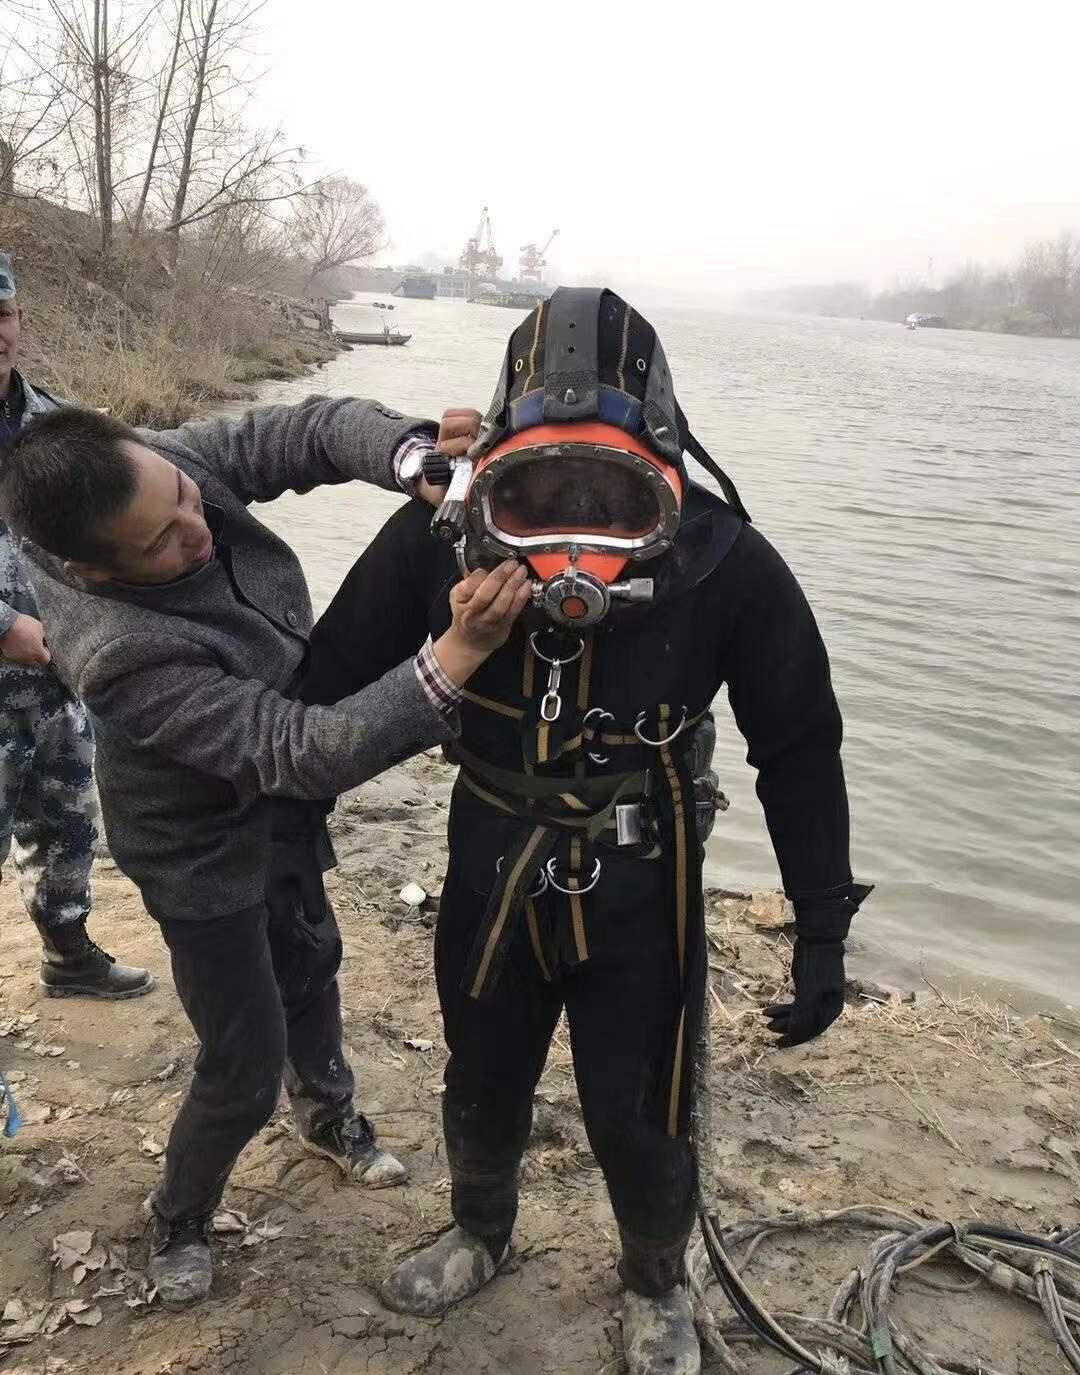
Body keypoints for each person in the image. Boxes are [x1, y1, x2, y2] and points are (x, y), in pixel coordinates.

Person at [299, 288, 871, 1375]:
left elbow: (799, 744)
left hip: (645, 870)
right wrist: (288, 840)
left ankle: (655, 1278)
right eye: (537, 493)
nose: (570, 537)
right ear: (492, 471)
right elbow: (326, 686)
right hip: (490, 850)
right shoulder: (433, 540)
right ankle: (480, 1229)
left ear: (666, 472)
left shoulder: (722, 559)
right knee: (481, 1062)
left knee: (640, 1099)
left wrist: (822, 924)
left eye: (608, 497)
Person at [0, 394, 530, 1307]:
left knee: (310, 959)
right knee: (244, 1061)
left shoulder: (158, 470)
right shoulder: (119, 653)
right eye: (163, 543)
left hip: (277, 790)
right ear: (92, 569)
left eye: (186, 500)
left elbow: (304, 432)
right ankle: (179, 1212)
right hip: (199, 848)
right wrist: (459, 652)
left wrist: (412, 458)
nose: (197, 530)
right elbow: (305, 750)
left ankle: (325, 1112)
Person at [0, 250, 152, 999]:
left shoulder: (57, 427)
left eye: (1, 314)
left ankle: (68, 954)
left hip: (56, 680)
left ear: (20, 320)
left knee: (64, 820)